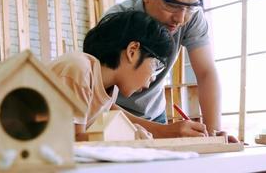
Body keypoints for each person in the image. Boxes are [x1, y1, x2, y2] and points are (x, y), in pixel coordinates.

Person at [105, 0, 228, 139]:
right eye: (172, 4)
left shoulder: (191, 18)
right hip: (114, 115)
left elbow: (206, 73)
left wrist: (215, 136)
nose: (180, 18)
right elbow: (97, 99)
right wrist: (166, 132)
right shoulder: (116, 22)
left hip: (155, 115)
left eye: (191, 6)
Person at [48, 11, 206, 141]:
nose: (153, 78)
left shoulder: (107, 88)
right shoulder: (78, 70)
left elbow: (117, 114)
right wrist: (128, 136)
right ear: (132, 51)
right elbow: (74, 143)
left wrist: (166, 131)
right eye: (155, 65)